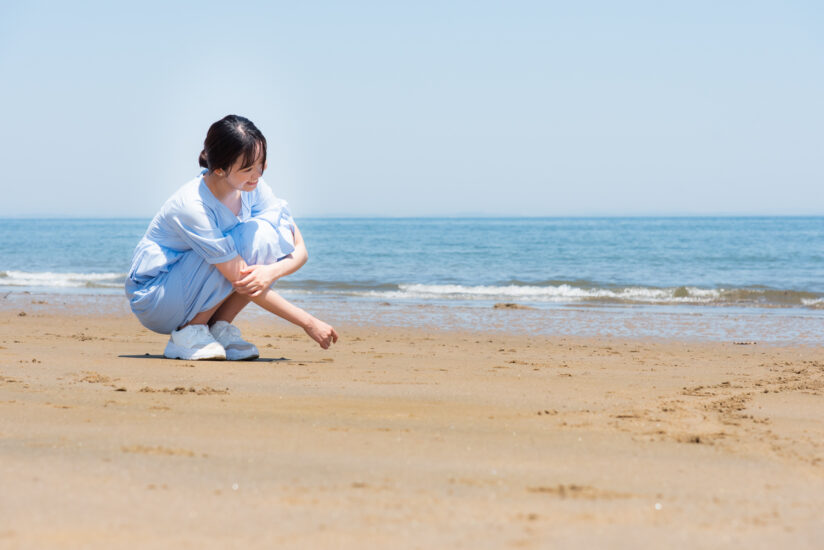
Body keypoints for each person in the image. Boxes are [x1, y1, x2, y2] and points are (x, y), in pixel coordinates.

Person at [125, 114, 338, 360]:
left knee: (265, 236)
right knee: (248, 240)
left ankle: (218, 328)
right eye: (247, 168)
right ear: (218, 169)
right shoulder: (193, 206)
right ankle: (189, 332)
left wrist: (272, 272)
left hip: (189, 287)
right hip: (157, 298)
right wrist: (309, 323)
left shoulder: (252, 187)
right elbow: (239, 277)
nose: (257, 174)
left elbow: (298, 248)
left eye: (261, 163)